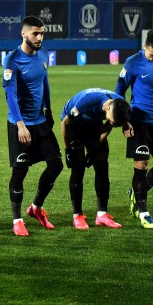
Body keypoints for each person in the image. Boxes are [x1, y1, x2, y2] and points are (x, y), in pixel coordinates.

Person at [2, 15, 63, 237]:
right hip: (20, 124)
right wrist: (20, 126)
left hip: (40, 122)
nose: (39, 38)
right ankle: (17, 220)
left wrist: (48, 110)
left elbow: (44, 82)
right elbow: (10, 95)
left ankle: (36, 208)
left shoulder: (43, 55)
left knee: (56, 164)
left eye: (42, 33)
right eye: (35, 33)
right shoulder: (12, 60)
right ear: (23, 33)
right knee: (20, 171)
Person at [115, 29, 153, 229]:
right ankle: (144, 213)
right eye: (152, 55)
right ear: (144, 47)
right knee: (141, 166)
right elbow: (118, 93)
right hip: (139, 122)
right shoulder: (132, 63)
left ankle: (136, 193)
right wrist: (124, 122)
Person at [60, 88, 131, 230]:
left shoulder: (119, 106)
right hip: (74, 125)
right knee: (78, 167)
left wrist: (93, 150)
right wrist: (68, 151)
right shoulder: (88, 101)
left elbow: (108, 125)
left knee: (102, 164)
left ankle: (102, 215)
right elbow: (65, 123)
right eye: (111, 120)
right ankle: (77, 216)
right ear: (108, 108)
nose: (112, 123)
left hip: (93, 124)